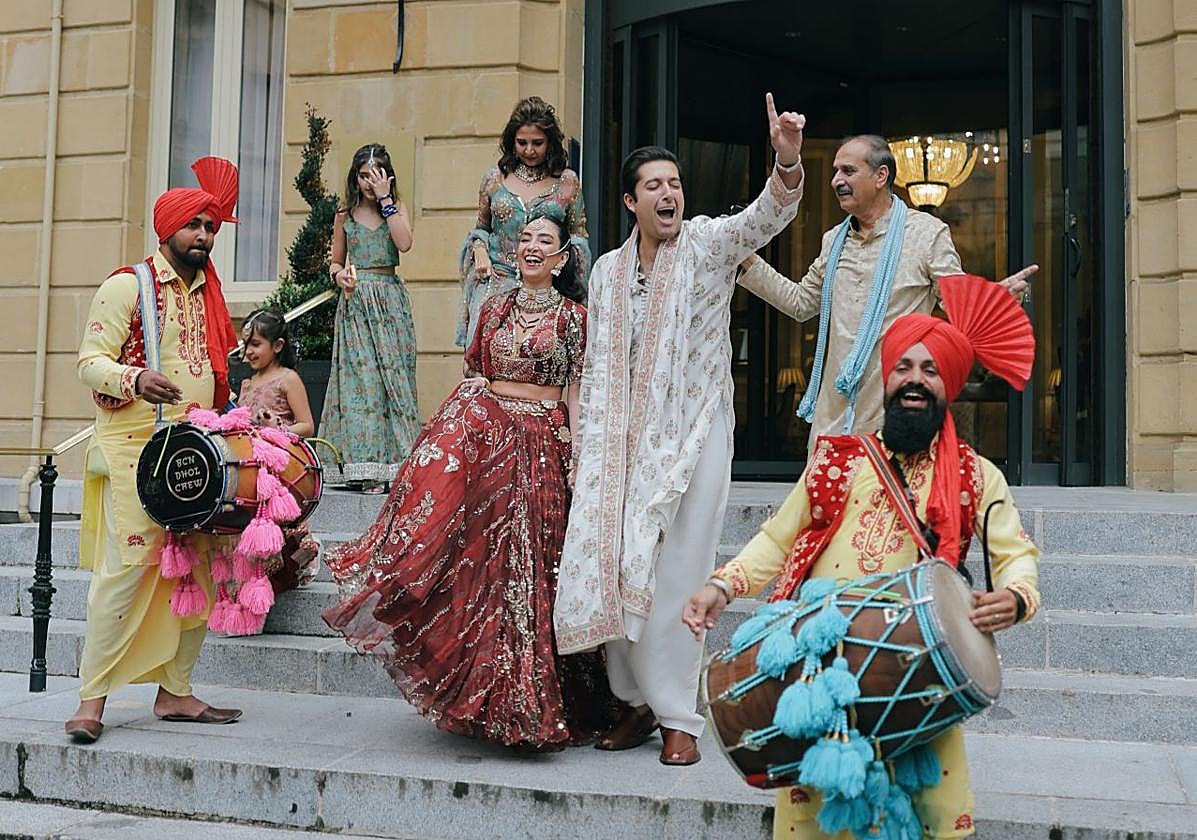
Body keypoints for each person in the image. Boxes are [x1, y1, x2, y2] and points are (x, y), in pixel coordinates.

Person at [684, 275, 1042, 839]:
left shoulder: (977, 475)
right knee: (814, 817)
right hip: (822, 667)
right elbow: (778, 537)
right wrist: (722, 585)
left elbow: (1015, 552)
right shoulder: (837, 460)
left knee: (934, 818)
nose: (915, 381)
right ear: (888, 377)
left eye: (929, 370)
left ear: (948, 385)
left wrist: (1015, 597)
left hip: (919, 669)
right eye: (904, 368)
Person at [553, 93, 806, 767]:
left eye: (675, 184)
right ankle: (633, 702)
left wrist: (785, 161)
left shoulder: (707, 243)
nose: (668, 194)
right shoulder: (605, 271)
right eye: (654, 186)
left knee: (677, 572)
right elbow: (594, 357)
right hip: (618, 444)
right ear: (631, 202)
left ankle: (677, 716)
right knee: (617, 561)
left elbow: (765, 217)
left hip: (694, 434)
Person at [322, 214, 618, 750]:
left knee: (533, 572)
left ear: (562, 258)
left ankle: (531, 705)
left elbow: (576, 390)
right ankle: (483, 700)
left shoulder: (576, 318)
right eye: (525, 238)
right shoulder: (495, 307)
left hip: (544, 445)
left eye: (543, 242)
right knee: (481, 568)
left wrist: (576, 452)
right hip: (491, 444)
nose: (531, 247)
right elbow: (475, 372)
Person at [67, 157, 244, 743]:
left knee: (201, 570)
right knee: (126, 571)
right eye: (195, 226)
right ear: (166, 228)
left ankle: (176, 694)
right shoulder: (128, 286)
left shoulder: (208, 293)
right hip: (134, 448)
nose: (204, 236)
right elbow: (89, 364)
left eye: (211, 227)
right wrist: (135, 380)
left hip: (197, 448)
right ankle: (91, 700)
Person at [734, 134, 1037, 452]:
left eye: (848, 171)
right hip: (832, 422)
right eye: (836, 171)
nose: (837, 180)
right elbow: (800, 303)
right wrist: (747, 260)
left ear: (881, 176)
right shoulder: (834, 240)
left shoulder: (926, 234)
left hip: (893, 418)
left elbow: (958, 305)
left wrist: (996, 298)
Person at [458, 96, 590, 348]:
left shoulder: (567, 182)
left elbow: (578, 237)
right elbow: (481, 228)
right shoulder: (494, 179)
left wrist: (565, 278)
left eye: (537, 143)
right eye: (522, 142)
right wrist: (478, 248)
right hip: (496, 285)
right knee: (485, 362)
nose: (529, 150)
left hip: (549, 290)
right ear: (511, 141)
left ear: (550, 142)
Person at [324, 143, 419, 493]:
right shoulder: (344, 215)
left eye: (376, 174)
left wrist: (386, 200)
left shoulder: (396, 208)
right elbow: (335, 261)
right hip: (357, 303)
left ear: (387, 175)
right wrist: (339, 276)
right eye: (364, 175)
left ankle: (397, 467)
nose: (369, 181)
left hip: (390, 302)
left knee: (392, 382)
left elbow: (405, 244)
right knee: (361, 386)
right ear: (355, 176)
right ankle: (364, 469)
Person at [233, 309, 320, 608]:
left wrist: (275, 428)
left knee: (276, 533)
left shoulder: (288, 379)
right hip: (250, 469)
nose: (248, 352)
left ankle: (293, 565)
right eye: (246, 345)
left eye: (256, 344)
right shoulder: (246, 384)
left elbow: (307, 425)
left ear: (278, 346)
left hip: (279, 472)